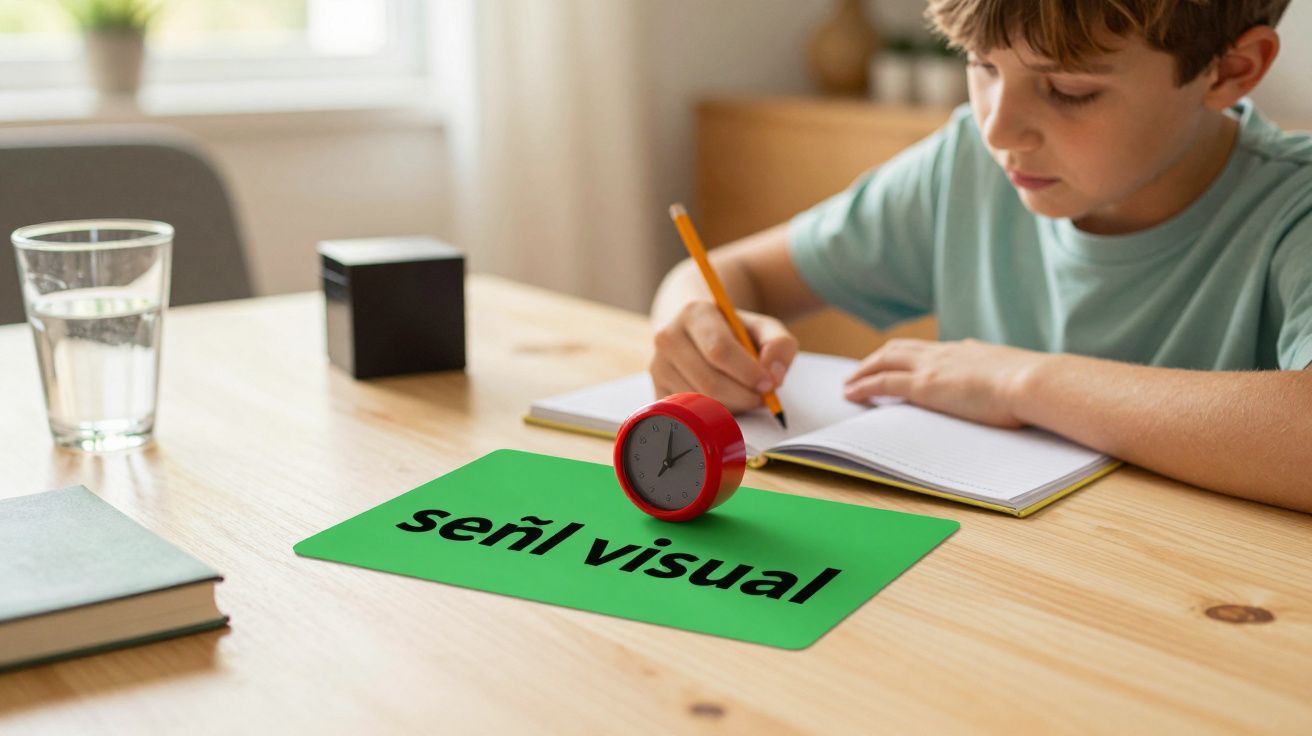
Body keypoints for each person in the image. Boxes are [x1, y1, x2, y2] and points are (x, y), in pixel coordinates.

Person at [649, 0, 1312, 513]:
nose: (997, 127)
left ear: (1230, 70)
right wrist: (696, 321)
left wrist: (1017, 382)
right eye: (981, 66)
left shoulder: (1294, 208)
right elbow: (730, 274)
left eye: (1070, 90)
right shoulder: (968, 163)